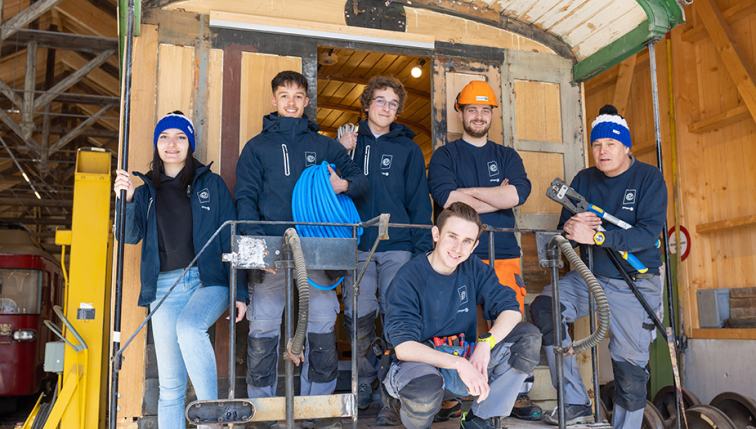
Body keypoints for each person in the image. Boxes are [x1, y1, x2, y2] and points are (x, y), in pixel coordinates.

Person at [235, 71, 368, 429]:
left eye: (298, 96)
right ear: (274, 101)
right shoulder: (256, 147)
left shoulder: (325, 146)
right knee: (263, 323)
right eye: (284, 95)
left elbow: (360, 181)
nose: (291, 102)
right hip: (273, 248)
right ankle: (260, 412)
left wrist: (342, 184)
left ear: (306, 101)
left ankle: (318, 407)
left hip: (319, 246)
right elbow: (245, 198)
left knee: (323, 318)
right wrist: (260, 250)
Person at [530, 105, 667, 429]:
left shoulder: (649, 178)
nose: (603, 151)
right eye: (597, 145)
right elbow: (567, 232)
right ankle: (575, 402)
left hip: (636, 282)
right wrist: (573, 227)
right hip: (590, 277)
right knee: (545, 308)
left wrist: (599, 234)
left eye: (611, 144)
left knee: (629, 373)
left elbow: (647, 233)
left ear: (626, 146)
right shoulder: (583, 180)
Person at [114, 111, 247, 429]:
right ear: (156, 144)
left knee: (189, 328)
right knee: (170, 386)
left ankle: (211, 419)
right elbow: (128, 236)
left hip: (207, 281)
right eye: (164, 137)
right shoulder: (145, 190)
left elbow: (233, 238)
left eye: (180, 137)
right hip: (162, 288)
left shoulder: (211, 184)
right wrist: (128, 199)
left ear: (190, 144)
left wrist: (240, 291)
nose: (171, 144)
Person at [427, 80, 541, 421]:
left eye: (485, 110)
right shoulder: (445, 155)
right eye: (472, 109)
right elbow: (447, 199)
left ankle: (513, 396)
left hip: (503, 250)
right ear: (461, 112)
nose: (479, 115)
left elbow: (517, 195)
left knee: (510, 322)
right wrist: (495, 193)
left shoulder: (507, 155)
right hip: (458, 255)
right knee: (459, 324)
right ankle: (452, 394)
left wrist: (470, 194)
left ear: (492, 114)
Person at [382, 202, 542, 429]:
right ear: (436, 234)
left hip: (465, 358)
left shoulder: (473, 267)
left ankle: (480, 418)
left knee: (527, 337)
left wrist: (486, 343)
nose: (458, 248)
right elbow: (405, 347)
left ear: (475, 245)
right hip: (424, 366)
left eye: (467, 241)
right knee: (422, 395)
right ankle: (414, 414)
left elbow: (511, 309)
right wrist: (459, 364)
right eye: (452, 236)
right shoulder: (409, 277)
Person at [337, 75, 433, 418]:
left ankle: (393, 391)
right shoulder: (346, 141)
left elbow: (420, 202)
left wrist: (424, 251)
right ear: (366, 105)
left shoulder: (408, 148)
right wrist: (342, 151)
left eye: (393, 103)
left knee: (398, 317)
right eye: (380, 101)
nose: (386, 108)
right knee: (357, 315)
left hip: (399, 244)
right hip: (357, 243)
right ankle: (363, 379)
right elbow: (328, 185)